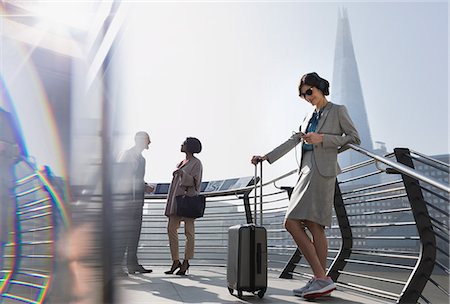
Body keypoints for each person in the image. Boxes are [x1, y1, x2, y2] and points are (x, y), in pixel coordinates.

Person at [251, 72, 360, 299]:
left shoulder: (337, 110)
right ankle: (320, 279)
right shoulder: (307, 117)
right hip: (305, 172)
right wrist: (266, 157)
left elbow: (354, 138)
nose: (307, 97)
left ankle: (321, 278)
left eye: (309, 91)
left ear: (319, 87)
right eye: (303, 95)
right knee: (313, 225)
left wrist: (324, 140)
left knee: (291, 222)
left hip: (322, 172)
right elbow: (293, 141)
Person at [116, 131, 155, 275]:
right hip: (126, 201)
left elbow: (136, 178)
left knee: (134, 234)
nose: (149, 143)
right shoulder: (127, 155)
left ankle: (132, 264)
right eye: (148, 140)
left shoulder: (142, 159)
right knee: (124, 234)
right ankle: (117, 266)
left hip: (137, 201)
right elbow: (123, 177)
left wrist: (144, 186)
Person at [164, 137, 203, 276]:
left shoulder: (196, 163)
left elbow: (195, 181)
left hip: (188, 200)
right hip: (177, 200)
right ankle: (175, 260)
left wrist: (182, 174)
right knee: (171, 229)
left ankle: (186, 261)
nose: (181, 144)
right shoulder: (181, 162)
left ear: (189, 147)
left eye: (184, 143)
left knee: (189, 231)